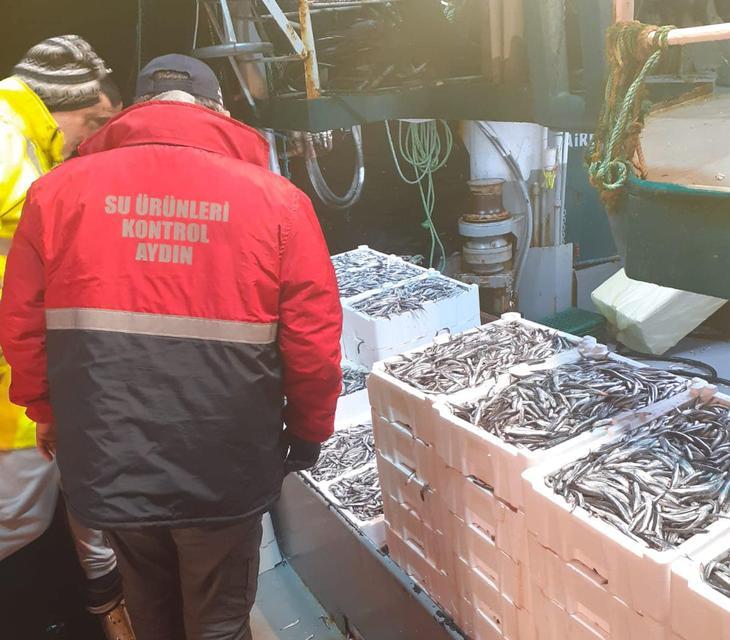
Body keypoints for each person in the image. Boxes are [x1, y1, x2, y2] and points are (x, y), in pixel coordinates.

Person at [0, 53, 343, 640]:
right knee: (219, 620)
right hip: (225, 463)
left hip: (106, 454)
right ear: (219, 112)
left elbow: (22, 328)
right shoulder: (279, 202)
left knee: (149, 607)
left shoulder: (53, 195)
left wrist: (46, 411)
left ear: (136, 110)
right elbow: (313, 340)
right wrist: (310, 430)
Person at [0, 35, 128, 637]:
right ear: (64, 106)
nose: (87, 141)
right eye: (92, 123)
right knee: (16, 521)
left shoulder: (24, 137)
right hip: (12, 382)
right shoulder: (7, 141)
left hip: (21, 372)